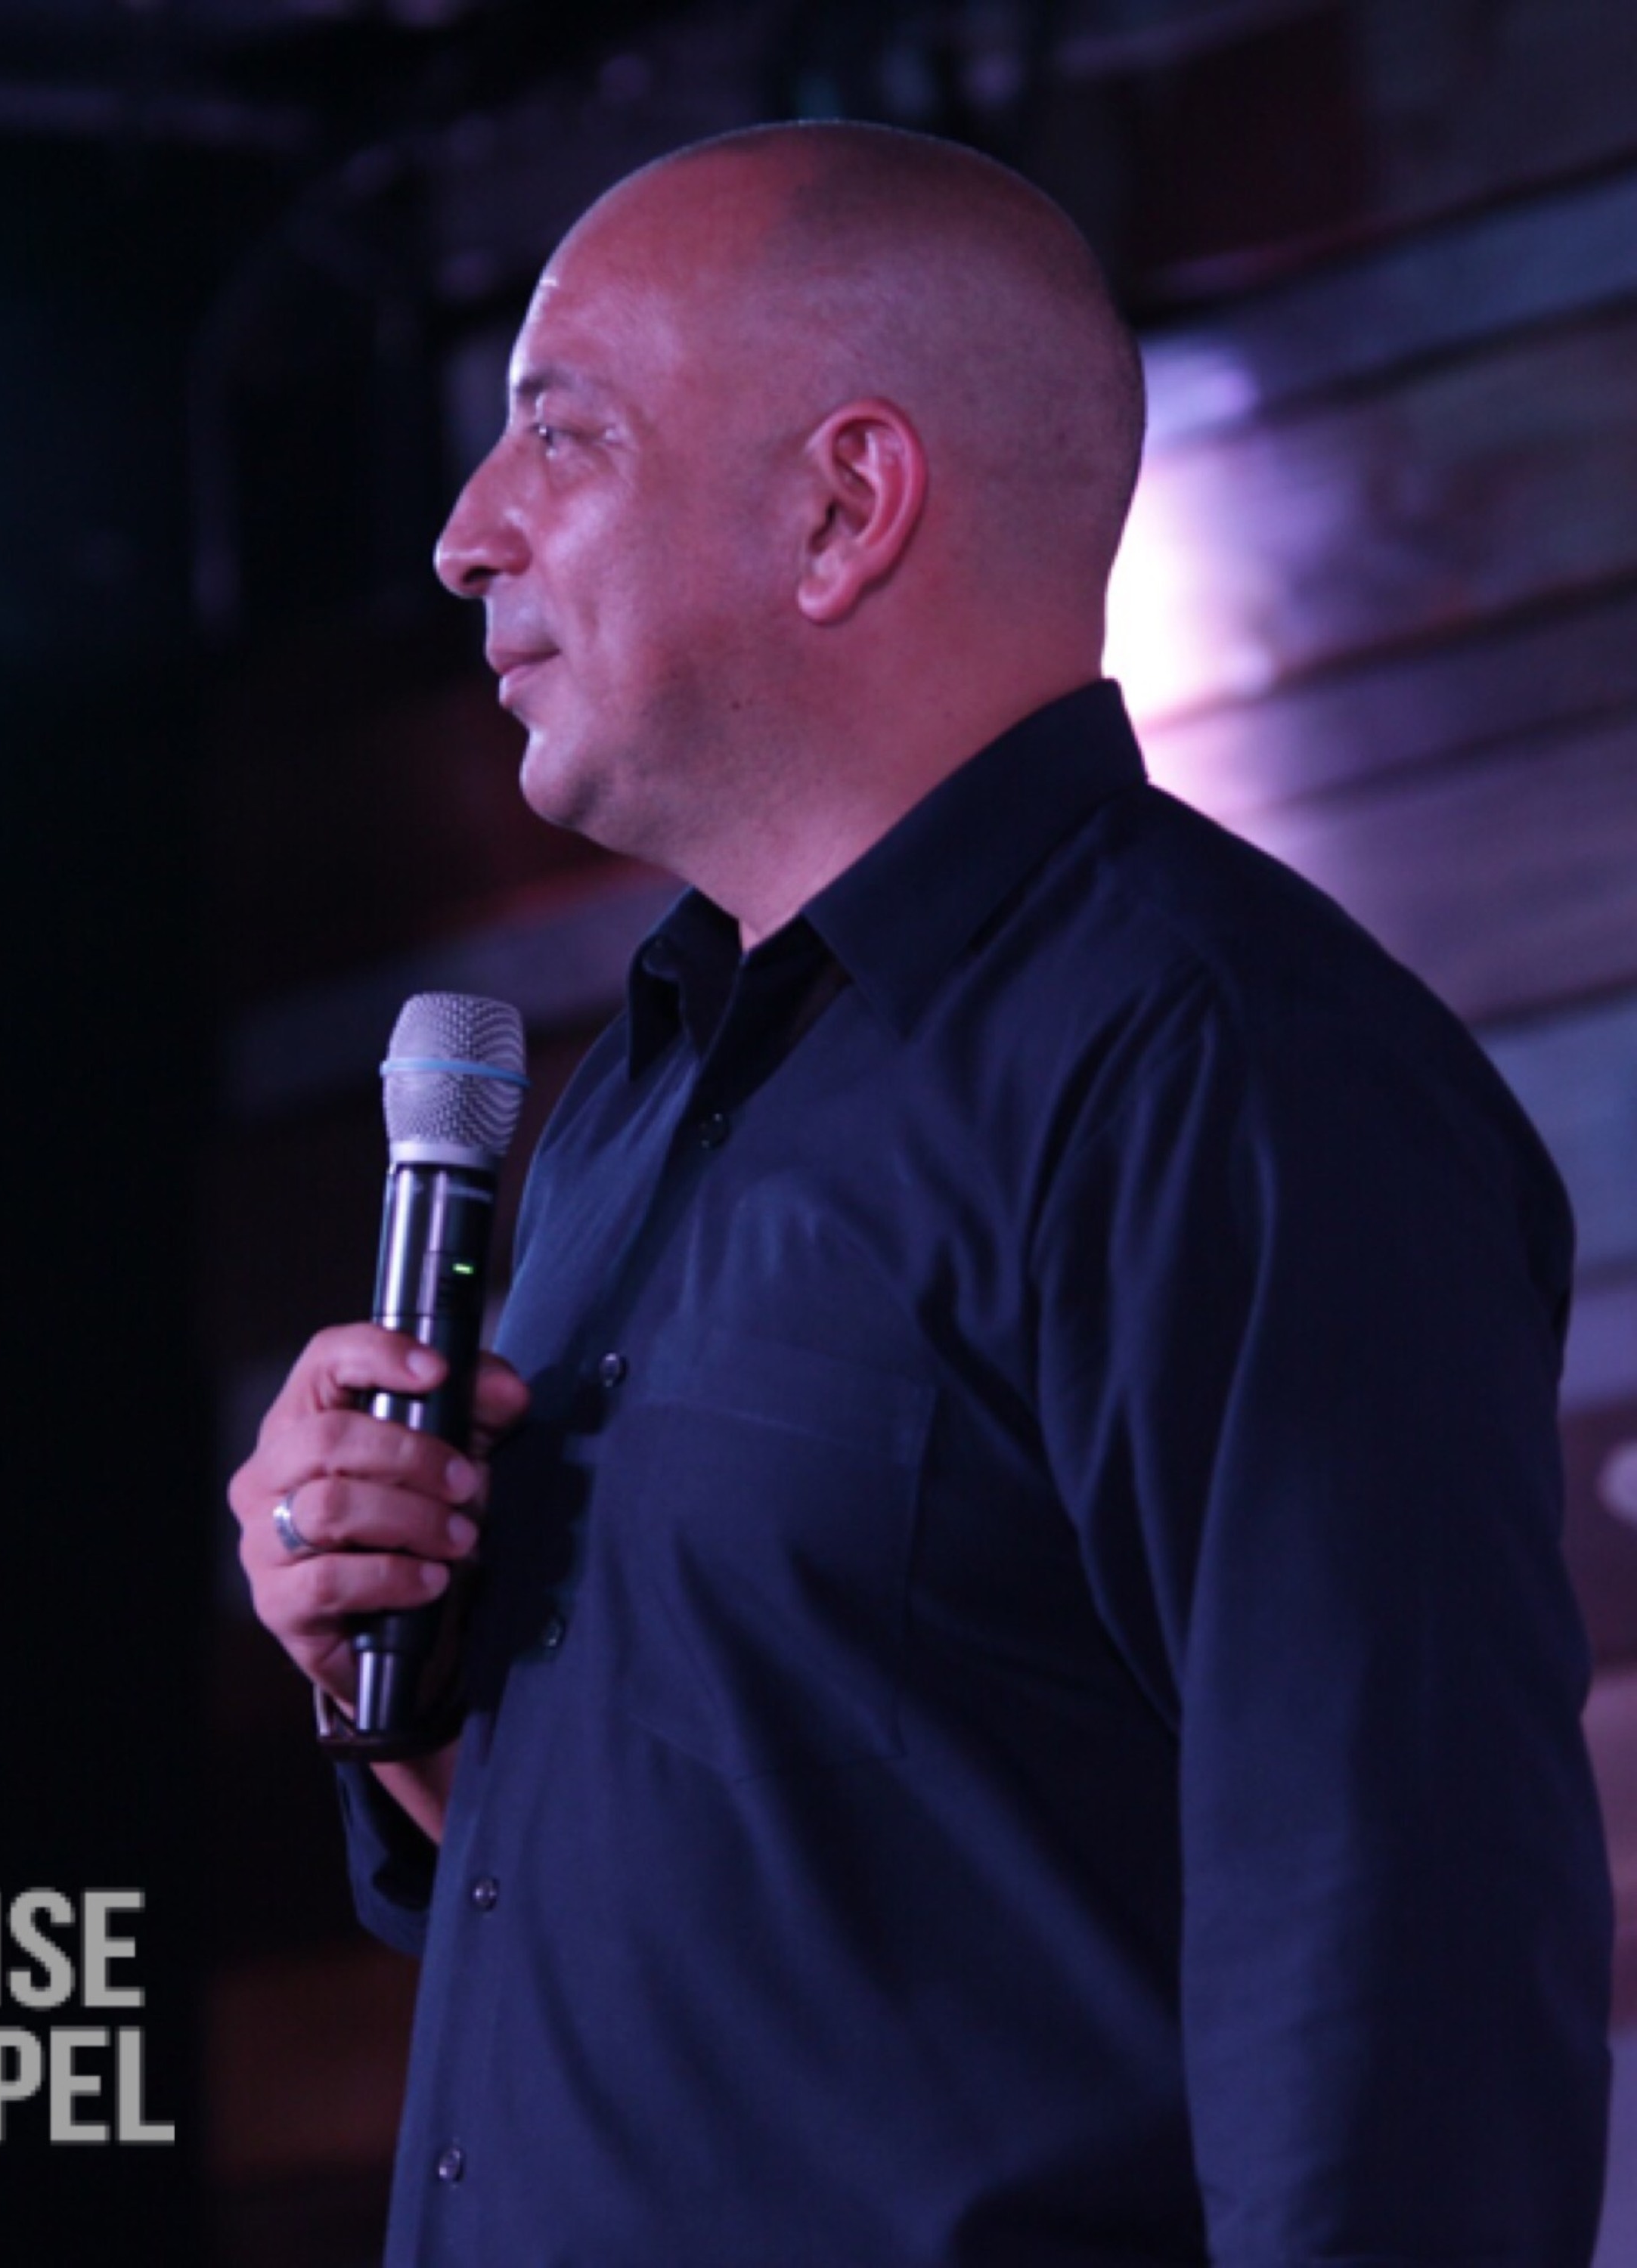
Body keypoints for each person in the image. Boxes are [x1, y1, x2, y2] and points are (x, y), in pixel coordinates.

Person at [225, 121, 1613, 2264]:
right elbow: (760, 1906)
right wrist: (387, 1667)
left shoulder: (1228, 1076)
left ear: (845, 506)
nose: (464, 533)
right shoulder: (632, 1100)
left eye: (560, 436)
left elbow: (1397, 1980)